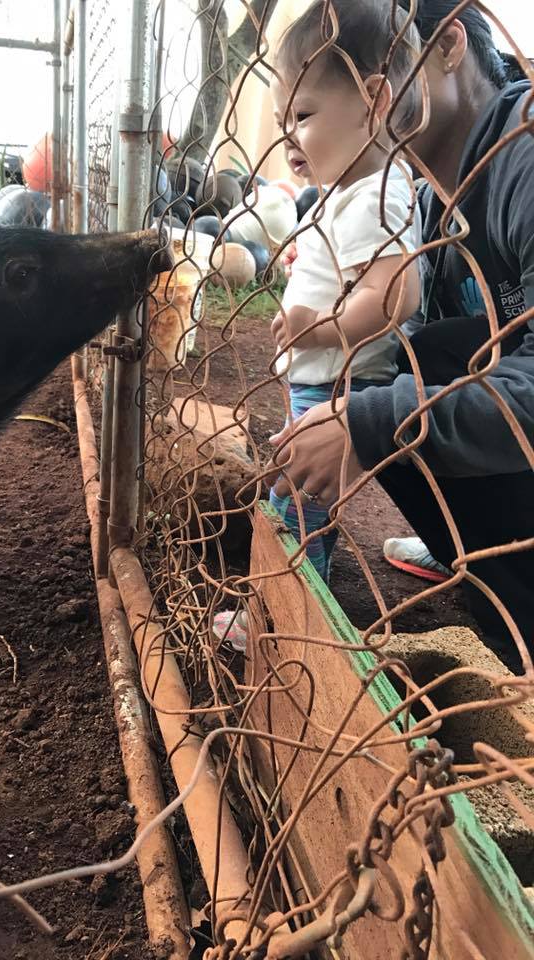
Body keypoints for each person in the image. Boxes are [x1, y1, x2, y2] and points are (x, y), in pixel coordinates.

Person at [268, 0, 534, 672]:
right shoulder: (418, 199)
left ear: (445, 46)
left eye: (385, 56)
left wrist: (373, 421)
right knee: (410, 359)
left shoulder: (523, 158)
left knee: (393, 389)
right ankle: (472, 561)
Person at [212, 0, 422, 647]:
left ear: (374, 99)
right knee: (299, 495)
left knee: (298, 502)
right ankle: (288, 606)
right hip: (320, 379)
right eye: (282, 120)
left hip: (342, 382)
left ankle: (285, 620)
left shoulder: (382, 191)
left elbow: (398, 295)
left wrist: (323, 327)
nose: (288, 137)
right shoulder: (347, 191)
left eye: (303, 116)